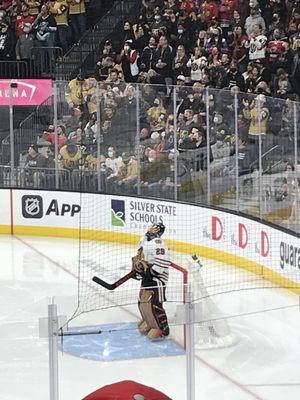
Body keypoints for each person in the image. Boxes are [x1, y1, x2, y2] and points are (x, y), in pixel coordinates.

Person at [131, 222, 170, 341]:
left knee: (153, 303)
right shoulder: (144, 240)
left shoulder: (159, 243)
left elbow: (163, 262)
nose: (151, 227)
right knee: (142, 301)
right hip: (146, 275)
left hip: (157, 278)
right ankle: (149, 322)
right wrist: (137, 268)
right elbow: (139, 256)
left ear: (158, 230)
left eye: (155, 227)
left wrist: (150, 272)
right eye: (151, 226)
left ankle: (161, 328)